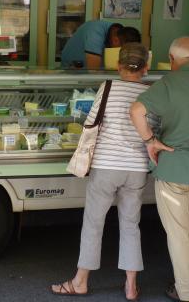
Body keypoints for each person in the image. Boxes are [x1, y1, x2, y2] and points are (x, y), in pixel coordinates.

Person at [51, 43, 152, 301]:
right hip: (137, 168)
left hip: (106, 166)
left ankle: (80, 281)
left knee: (94, 224)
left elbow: (91, 122)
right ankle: (131, 286)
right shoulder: (152, 92)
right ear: (146, 67)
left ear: (118, 66)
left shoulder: (108, 87)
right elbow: (154, 129)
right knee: (131, 225)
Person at [130, 37, 189, 302]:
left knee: (178, 233)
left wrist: (150, 141)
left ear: (172, 60)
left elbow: (136, 110)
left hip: (173, 168)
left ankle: (187, 292)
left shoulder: (168, 83)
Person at [61, 21, 141, 70]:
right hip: (72, 69)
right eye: (121, 50)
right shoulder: (95, 33)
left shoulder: (119, 32)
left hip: (87, 70)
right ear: (115, 40)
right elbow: (94, 70)